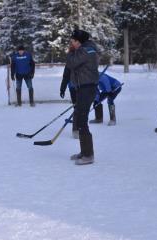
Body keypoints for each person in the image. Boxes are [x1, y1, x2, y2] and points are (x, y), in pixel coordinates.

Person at [61, 29, 99, 165]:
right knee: (80, 118)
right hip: (84, 87)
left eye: (73, 41)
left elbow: (71, 63)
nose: (71, 44)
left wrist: (71, 51)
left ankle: (88, 155)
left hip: (87, 88)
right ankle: (84, 151)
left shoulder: (85, 51)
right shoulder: (86, 49)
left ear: (79, 41)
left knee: (82, 120)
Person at [60, 66, 78, 139]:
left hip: (83, 87)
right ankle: (76, 130)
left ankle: (81, 129)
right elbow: (65, 77)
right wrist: (62, 89)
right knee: (76, 108)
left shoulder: (84, 59)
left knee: (81, 108)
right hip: (73, 87)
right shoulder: (69, 63)